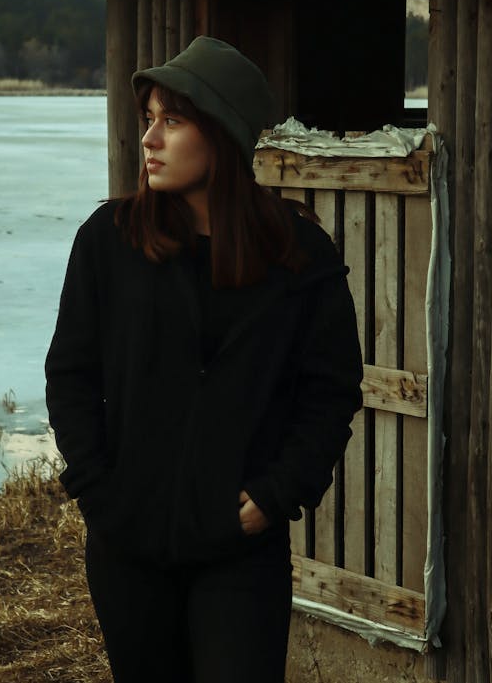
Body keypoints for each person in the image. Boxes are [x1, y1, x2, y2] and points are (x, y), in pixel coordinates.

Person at [45, 36, 363, 683]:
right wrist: (100, 490)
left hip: (239, 549)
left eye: (174, 120)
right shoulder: (108, 240)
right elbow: (70, 375)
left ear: (222, 135)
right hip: (127, 547)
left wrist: (276, 494)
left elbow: (331, 392)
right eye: (149, 119)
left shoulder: (299, 255)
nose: (150, 139)